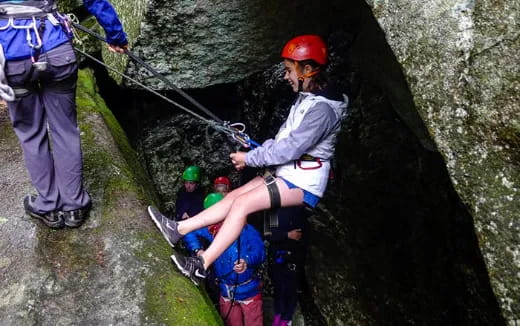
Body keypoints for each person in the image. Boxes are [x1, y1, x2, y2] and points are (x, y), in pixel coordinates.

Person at [148, 34, 347, 285]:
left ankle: (201, 265)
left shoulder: (323, 110)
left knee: (242, 206)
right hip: (289, 172)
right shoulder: (308, 100)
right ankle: (177, 230)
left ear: (307, 69)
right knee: (233, 198)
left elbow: (290, 149)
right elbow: (283, 141)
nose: (286, 76)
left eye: (289, 70)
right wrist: (254, 152)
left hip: (303, 181)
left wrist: (251, 158)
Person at [0, 0, 128, 228]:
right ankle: (74, 206)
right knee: (65, 129)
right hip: (56, 49)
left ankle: (48, 206)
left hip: (13, 57)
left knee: (30, 133)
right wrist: (115, 35)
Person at [184, 192, 265, 326]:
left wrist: (246, 260)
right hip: (226, 291)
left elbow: (260, 252)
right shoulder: (212, 230)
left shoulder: (246, 229)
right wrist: (198, 250)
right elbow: (189, 230)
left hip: (248, 291)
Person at [265, 206, 308, 326]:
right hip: (277, 256)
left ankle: (286, 319)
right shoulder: (273, 209)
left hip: (293, 257)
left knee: (291, 289)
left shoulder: (299, 210)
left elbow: (302, 237)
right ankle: (278, 315)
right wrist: (287, 234)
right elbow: (268, 234)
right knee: (279, 288)